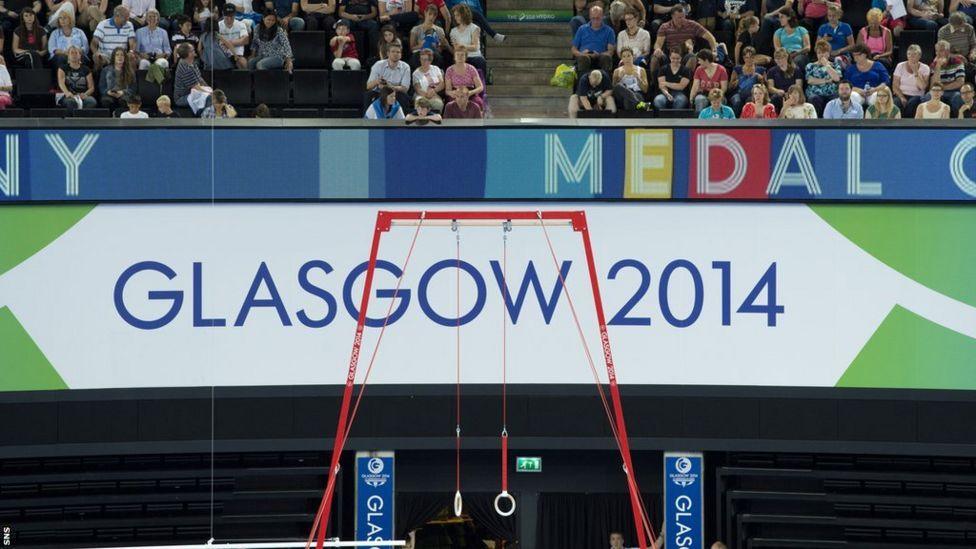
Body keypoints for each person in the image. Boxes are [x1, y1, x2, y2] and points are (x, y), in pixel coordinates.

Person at [650, 5, 718, 74]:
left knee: (692, 57)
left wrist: (714, 50)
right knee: (655, 57)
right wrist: (657, 49)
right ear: (672, 16)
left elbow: (710, 37)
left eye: (683, 16)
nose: (682, 19)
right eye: (679, 18)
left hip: (686, 54)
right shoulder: (665, 27)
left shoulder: (692, 24)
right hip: (670, 55)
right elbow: (658, 43)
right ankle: (656, 83)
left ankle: (685, 82)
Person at [365, 41, 411, 108]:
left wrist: (390, 87)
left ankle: (402, 118)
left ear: (401, 55)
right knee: (369, 95)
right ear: (388, 53)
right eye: (393, 52)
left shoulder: (405, 67)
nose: (395, 54)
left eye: (398, 52)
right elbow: (368, 86)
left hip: (396, 92)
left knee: (404, 97)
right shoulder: (378, 64)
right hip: (379, 92)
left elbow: (405, 88)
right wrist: (377, 81)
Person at [572, 4, 616, 73]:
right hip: (585, 57)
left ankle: (606, 80)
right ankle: (582, 82)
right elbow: (574, 50)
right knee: (583, 58)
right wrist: (582, 54)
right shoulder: (582, 29)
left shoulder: (609, 31)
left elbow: (610, 52)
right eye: (593, 18)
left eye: (598, 18)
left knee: (606, 58)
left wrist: (599, 54)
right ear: (589, 17)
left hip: (601, 57)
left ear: (602, 17)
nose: (595, 21)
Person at [805, 38, 841, 115]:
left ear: (828, 53)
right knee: (813, 98)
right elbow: (810, 80)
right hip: (815, 93)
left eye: (824, 52)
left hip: (831, 93)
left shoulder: (835, 65)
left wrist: (826, 65)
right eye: (819, 53)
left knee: (835, 99)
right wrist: (826, 81)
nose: (821, 55)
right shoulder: (810, 65)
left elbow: (836, 78)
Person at [929, 39, 966, 112]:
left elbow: (960, 82)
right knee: (927, 97)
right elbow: (932, 86)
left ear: (948, 51)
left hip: (954, 91)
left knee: (957, 97)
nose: (938, 53)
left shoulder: (957, 62)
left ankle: (957, 122)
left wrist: (944, 88)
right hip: (938, 91)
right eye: (937, 51)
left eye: (941, 50)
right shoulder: (933, 65)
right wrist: (938, 67)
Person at [892, 43, 929, 116]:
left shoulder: (925, 68)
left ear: (919, 56)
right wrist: (901, 97)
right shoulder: (900, 66)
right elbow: (895, 85)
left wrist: (916, 72)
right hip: (901, 94)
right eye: (909, 54)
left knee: (912, 103)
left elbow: (922, 87)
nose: (911, 57)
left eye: (914, 54)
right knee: (895, 103)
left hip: (917, 95)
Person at [729, 45, 766, 113]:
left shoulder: (761, 70)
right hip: (738, 93)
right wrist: (739, 81)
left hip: (753, 94)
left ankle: (750, 122)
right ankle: (734, 122)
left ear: (754, 58)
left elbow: (765, 88)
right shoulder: (737, 69)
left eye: (751, 57)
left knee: (750, 101)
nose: (749, 60)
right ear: (743, 58)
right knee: (737, 101)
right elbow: (730, 87)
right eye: (747, 58)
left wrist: (761, 80)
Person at [57, 45, 96, 110]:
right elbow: (61, 83)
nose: (74, 55)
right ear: (68, 55)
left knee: (91, 101)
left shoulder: (86, 69)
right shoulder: (62, 68)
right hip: (68, 95)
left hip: (82, 95)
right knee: (71, 102)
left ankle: (83, 118)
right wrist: (67, 93)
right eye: (72, 53)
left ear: (80, 55)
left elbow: (91, 87)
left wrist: (85, 94)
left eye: (76, 53)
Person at [449, 3, 485, 73]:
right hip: (461, 57)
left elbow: (475, 47)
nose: (455, 17)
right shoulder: (453, 31)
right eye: (455, 15)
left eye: (458, 15)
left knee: (480, 61)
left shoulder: (474, 28)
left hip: (475, 56)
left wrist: (461, 46)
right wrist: (466, 47)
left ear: (464, 15)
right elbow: (456, 49)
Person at [613, 46, 650, 110]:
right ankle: (639, 103)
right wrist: (619, 78)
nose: (627, 58)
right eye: (624, 56)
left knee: (628, 101)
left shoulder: (641, 70)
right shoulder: (617, 71)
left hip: (637, 93)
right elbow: (614, 88)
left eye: (628, 56)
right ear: (621, 59)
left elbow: (645, 90)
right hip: (621, 96)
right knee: (618, 86)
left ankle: (636, 105)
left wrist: (638, 78)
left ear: (633, 56)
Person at [173, 42, 209, 107]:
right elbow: (196, 87)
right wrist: (210, 94)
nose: (194, 51)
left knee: (212, 94)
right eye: (192, 50)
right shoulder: (186, 69)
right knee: (209, 98)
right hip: (182, 98)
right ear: (188, 54)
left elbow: (200, 79)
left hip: (194, 92)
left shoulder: (192, 62)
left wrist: (208, 88)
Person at [218, 4, 249, 68]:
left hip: (237, 53)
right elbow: (216, 41)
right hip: (222, 53)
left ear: (235, 14)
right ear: (223, 14)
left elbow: (245, 40)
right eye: (227, 16)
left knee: (242, 62)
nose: (229, 19)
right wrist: (238, 41)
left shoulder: (241, 24)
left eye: (231, 16)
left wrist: (227, 43)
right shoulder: (218, 25)